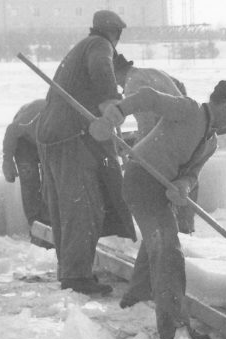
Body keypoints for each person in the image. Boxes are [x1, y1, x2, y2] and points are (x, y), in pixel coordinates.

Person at [97, 80, 226, 339]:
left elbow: (192, 174)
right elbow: (148, 97)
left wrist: (183, 185)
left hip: (161, 189)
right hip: (141, 179)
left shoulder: (211, 141)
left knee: (157, 241)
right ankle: (175, 329)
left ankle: (137, 296)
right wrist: (119, 111)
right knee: (168, 251)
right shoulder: (189, 110)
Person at [35, 9, 135, 297]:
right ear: (114, 32)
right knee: (83, 206)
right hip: (72, 136)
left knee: (66, 207)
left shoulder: (78, 49)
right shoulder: (99, 46)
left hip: (53, 135)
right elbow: (102, 73)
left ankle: (70, 269)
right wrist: (110, 104)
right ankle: (76, 276)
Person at [112, 52, 196, 234]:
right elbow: (180, 90)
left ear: (117, 74)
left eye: (115, 80)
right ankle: (186, 232)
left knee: (162, 194)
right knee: (182, 190)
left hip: (168, 143)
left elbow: (147, 125)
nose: (117, 85)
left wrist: (136, 154)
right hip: (186, 137)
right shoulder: (154, 72)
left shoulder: (133, 84)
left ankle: (174, 236)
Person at [2, 99, 50, 231]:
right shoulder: (30, 120)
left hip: (49, 144)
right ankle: (34, 222)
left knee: (51, 181)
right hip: (24, 142)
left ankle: (49, 220)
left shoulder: (68, 126)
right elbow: (11, 130)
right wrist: (7, 160)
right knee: (30, 182)